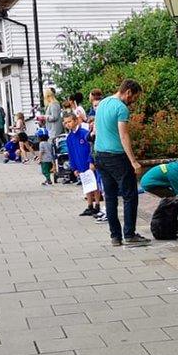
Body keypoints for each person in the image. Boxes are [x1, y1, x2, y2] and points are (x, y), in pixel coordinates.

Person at [93, 79, 148, 246]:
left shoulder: (102, 103)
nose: (133, 102)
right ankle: (129, 234)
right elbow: (124, 136)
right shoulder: (121, 108)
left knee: (109, 197)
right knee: (130, 195)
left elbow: (96, 129)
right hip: (117, 157)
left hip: (100, 155)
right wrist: (134, 161)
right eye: (134, 98)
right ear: (128, 92)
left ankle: (115, 237)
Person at [65, 112, 101, 217]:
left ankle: (97, 205)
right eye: (66, 122)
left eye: (70, 121)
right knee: (86, 185)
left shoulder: (84, 133)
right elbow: (71, 153)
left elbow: (91, 147)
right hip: (79, 164)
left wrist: (91, 161)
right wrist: (74, 167)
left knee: (94, 184)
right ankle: (89, 205)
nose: (68, 124)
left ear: (76, 121)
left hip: (88, 163)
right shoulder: (69, 138)